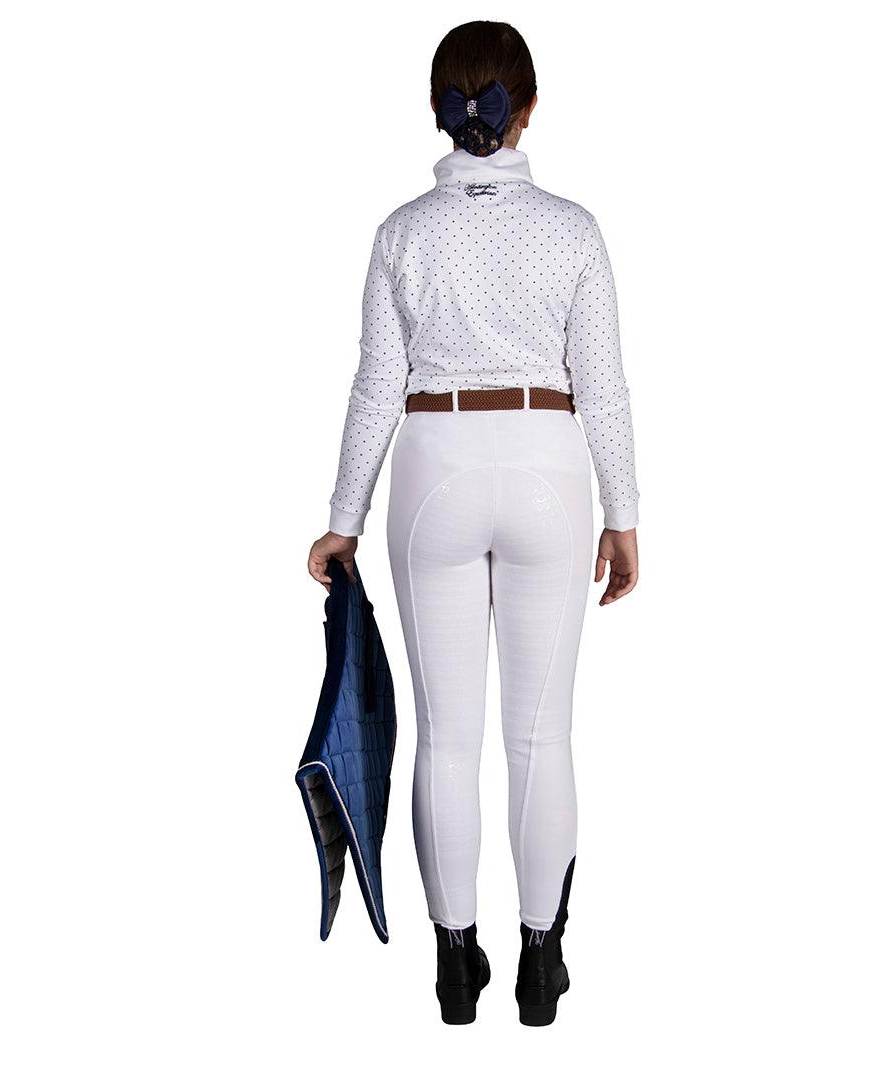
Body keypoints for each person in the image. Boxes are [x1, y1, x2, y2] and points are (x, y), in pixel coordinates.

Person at [306, 20, 640, 1026]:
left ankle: (456, 965)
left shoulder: (401, 233)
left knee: (446, 738)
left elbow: (376, 385)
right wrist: (624, 512)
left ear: (438, 110)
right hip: (548, 466)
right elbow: (603, 386)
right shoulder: (573, 230)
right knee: (542, 734)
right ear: (527, 108)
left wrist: (342, 519)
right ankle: (543, 962)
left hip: (432, 468)